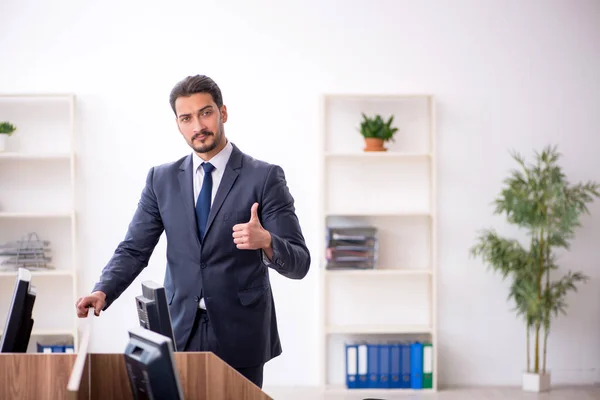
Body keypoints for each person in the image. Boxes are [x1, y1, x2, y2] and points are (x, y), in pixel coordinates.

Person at [75, 74, 311, 389]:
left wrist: (267, 242)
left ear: (223, 113)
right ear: (178, 124)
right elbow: (134, 248)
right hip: (177, 329)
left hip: (241, 332)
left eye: (206, 113)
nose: (197, 125)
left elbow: (300, 262)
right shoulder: (161, 179)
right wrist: (103, 290)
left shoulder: (264, 177)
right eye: (187, 117)